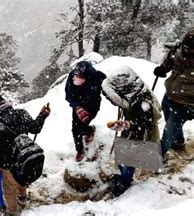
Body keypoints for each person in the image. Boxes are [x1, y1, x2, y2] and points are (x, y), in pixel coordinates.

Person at [0, 91, 50, 216]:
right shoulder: (21, 113)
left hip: (7, 164)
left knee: (9, 190)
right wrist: (42, 115)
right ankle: (23, 197)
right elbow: (36, 128)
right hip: (23, 159)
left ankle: (13, 212)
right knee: (22, 178)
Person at [102, 67, 162, 197]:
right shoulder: (134, 95)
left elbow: (144, 123)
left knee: (130, 159)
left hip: (141, 133)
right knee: (124, 151)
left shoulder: (143, 105)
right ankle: (122, 176)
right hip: (132, 128)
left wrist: (127, 125)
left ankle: (124, 182)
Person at [154, 28, 194, 156]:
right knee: (167, 117)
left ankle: (157, 156)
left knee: (169, 132)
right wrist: (162, 69)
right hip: (170, 94)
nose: (187, 50)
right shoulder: (179, 49)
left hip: (187, 102)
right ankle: (178, 142)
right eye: (186, 47)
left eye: (191, 49)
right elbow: (170, 61)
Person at [65, 61, 107, 162]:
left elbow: (108, 89)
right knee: (75, 129)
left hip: (92, 105)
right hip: (78, 106)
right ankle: (79, 150)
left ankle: (89, 130)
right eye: (77, 78)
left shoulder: (97, 78)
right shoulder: (72, 76)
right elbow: (68, 94)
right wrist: (77, 107)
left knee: (84, 123)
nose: (78, 81)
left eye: (81, 79)